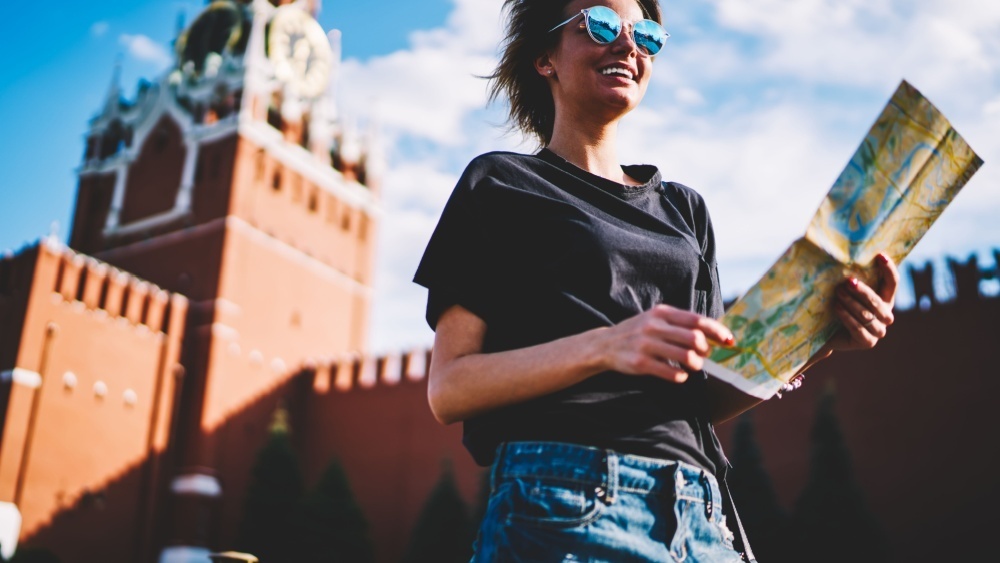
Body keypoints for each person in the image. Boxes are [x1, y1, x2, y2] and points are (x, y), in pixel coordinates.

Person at [413, 0, 900, 561]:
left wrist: (818, 338)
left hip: (700, 513)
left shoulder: (685, 210)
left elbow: (702, 394)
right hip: (568, 502)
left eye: (645, 35)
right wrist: (606, 345)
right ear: (546, 58)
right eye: (600, 25)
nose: (628, 46)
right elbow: (449, 389)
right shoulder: (501, 184)